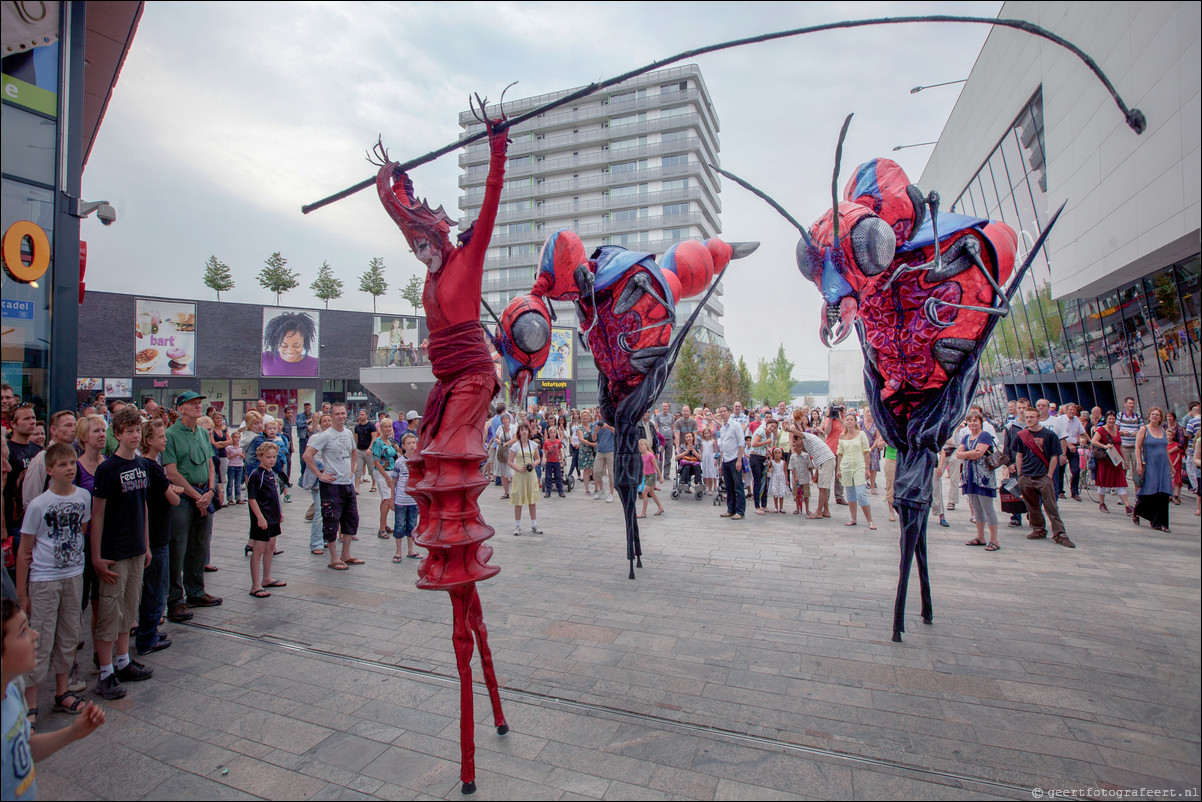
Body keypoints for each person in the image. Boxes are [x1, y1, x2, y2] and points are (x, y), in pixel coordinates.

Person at [16, 442, 91, 728]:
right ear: (49, 470)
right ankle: (31, 702)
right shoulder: (38, 505)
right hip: (45, 578)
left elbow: (81, 530)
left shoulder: (83, 497)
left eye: (72, 463)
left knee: (69, 634)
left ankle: (63, 691)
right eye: (62, 465)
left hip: (73, 574)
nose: (69, 468)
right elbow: (26, 550)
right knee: (41, 638)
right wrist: (22, 593)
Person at [2, 598, 105, 800]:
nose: (35, 635)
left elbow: (25, 748)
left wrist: (73, 733)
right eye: (23, 631)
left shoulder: (11, 694)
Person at [89, 406, 155, 700]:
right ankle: (105, 672)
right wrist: (96, 556)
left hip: (136, 548)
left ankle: (122, 660)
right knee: (108, 613)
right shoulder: (107, 469)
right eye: (128, 431)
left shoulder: (141, 464)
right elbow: (98, 514)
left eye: (137, 430)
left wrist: (146, 544)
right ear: (117, 434)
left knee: (129, 610)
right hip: (114, 551)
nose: (134, 435)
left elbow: (142, 505)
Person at [163, 392, 221, 623]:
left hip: (203, 494)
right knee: (178, 549)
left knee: (200, 545)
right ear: (181, 409)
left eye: (199, 403)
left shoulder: (202, 433)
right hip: (184, 498)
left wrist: (210, 491)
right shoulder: (171, 434)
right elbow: (172, 472)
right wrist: (198, 495)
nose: (198, 406)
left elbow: (210, 463)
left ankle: (196, 592)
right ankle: (175, 600)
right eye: (193, 404)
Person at [304, 403, 363, 569]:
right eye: (337, 414)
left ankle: (346, 553)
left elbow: (354, 451)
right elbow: (307, 455)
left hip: (347, 484)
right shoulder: (325, 435)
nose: (341, 417)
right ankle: (334, 557)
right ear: (332, 415)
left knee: (351, 518)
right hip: (331, 485)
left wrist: (353, 468)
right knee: (331, 519)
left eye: (343, 413)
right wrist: (319, 474)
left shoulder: (348, 433)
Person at [1010, 408, 1075, 548]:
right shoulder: (1021, 435)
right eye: (1027, 417)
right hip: (1026, 475)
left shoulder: (1049, 435)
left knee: (1051, 506)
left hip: (1043, 476)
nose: (1029, 419)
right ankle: (1038, 528)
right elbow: (1019, 455)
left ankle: (1059, 533)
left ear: (1038, 418)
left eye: (1032, 417)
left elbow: (1054, 456)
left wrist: (1050, 475)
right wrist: (1020, 475)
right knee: (1032, 505)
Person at [247, 442, 286, 597]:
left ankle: (267, 577)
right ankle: (255, 585)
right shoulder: (257, 474)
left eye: (274, 457)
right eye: (268, 457)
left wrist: (279, 512)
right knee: (259, 550)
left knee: (270, 547)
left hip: (273, 516)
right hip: (262, 518)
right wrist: (260, 518)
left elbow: (275, 494)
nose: (272, 460)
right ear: (260, 457)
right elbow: (252, 498)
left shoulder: (272, 473)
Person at [957, 411, 1000, 551]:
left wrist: (965, 455)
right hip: (969, 476)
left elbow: (979, 453)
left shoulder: (985, 435)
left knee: (988, 508)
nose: (972, 423)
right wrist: (969, 454)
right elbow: (958, 454)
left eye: (975, 421)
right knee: (976, 508)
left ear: (981, 422)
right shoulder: (966, 437)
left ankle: (994, 539)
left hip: (983, 477)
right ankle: (980, 536)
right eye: (970, 421)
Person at [4, 404, 41, 563]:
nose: (32, 422)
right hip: (15, 522)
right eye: (26, 418)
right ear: (13, 424)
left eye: (33, 417)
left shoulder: (40, 450)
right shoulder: (7, 450)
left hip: (37, 519)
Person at [1132, 407, 1172, 532]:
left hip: (1163, 466)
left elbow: (1165, 449)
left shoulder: (1163, 430)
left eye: (1157, 415)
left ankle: (1163, 523)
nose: (1155, 416)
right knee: (1149, 491)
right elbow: (1137, 448)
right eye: (1153, 414)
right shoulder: (1144, 429)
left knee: (1163, 494)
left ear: (1161, 418)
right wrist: (1139, 464)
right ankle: (1138, 511)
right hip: (1150, 465)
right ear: (1149, 416)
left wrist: (1171, 466)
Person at [837, 412, 874, 529]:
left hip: (859, 466)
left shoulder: (861, 434)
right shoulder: (842, 436)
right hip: (846, 467)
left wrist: (867, 468)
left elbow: (866, 451)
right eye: (847, 419)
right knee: (850, 494)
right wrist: (838, 468)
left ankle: (870, 520)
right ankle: (853, 518)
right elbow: (840, 453)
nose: (849, 421)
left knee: (861, 493)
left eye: (851, 419)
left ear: (855, 421)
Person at [389, 432, 421, 562]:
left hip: (413, 501)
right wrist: (392, 499)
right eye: (409, 443)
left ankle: (411, 549)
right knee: (399, 525)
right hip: (401, 500)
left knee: (412, 526)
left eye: (414, 443)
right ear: (403, 446)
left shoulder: (419, 461)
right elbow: (393, 481)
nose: (412, 446)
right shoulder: (399, 462)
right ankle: (398, 551)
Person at [1090, 410, 1130, 513]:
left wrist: (1125, 459)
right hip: (1106, 460)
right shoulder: (1101, 430)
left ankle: (1127, 506)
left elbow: (1120, 446)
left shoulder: (1116, 429)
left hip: (1117, 461)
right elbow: (1094, 441)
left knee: (1121, 482)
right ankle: (1102, 504)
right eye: (1110, 419)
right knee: (1103, 482)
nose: (1111, 421)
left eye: (1113, 419)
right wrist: (1104, 446)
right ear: (1106, 420)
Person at [508, 423, 542, 535]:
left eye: (525, 429)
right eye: (521, 430)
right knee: (518, 500)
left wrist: (533, 465)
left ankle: (534, 524)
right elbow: (509, 461)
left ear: (528, 431)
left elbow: (538, 459)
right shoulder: (515, 446)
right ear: (518, 432)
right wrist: (518, 469)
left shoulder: (533, 444)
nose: (524, 432)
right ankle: (517, 526)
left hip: (530, 475)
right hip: (519, 475)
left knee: (532, 500)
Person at [261, 312, 319, 377]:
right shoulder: (263, 359)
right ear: (275, 342)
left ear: (304, 342)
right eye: (283, 345)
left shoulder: (316, 364)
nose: (290, 351)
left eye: (296, 345)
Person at [716, 406, 746, 520]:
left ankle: (740, 511)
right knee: (729, 486)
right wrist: (721, 462)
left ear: (729, 412)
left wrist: (739, 460)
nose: (722, 413)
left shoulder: (736, 426)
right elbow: (722, 446)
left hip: (735, 459)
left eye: (724, 411)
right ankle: (730, 509)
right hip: (725, 460)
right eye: (721, 411)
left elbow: (741, 443)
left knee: (738, 486)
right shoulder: (722, 427)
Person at [798, 430, 835, 520]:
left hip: (827, 461)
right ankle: (826, 510)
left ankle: (819, 512)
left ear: (800, 440)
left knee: (823, 487)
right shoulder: (810, 444)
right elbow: (818, 458)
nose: (795, 446)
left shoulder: (807, 438)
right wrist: (816, 473)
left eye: (795, 443)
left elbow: (798, 432)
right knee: (821, 487)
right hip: (823, 462)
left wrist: (789, 429)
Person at [372, 418, 400, 537]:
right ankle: (381, 528)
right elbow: (376, 462)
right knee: (387, 499)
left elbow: (396, 455)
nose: (388, 429)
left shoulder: (390, 440)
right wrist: (387, 478)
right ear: (381, 428)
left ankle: (384, 523)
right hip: (382, 473)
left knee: (386, 500)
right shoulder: (378, 443)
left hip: (392, 472)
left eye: (390, 426)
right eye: (386, 427)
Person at [749, 418, 775, 515]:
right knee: (757, 481)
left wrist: (769, 453)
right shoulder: (761, 431)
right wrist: (766, 443)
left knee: (765, 481)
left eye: (774, 427)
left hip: (764, 458)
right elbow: (754, 443)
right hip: (755, 457)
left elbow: (768, 446)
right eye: (771, 426)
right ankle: (757, 506)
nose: (772, 428)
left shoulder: (770, 435)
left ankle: (764, 505)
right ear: (767, 425)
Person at [592, 415, 616, 503]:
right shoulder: (596, 423)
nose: (599, 415)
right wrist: (596, 430)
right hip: (600, 450)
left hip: (611, 450)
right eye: (597, 413)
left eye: (601, 413)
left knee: (611, 473)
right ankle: (601, 488)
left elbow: (616, 433)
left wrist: (609, 427)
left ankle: (611, 493)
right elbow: (594, 439)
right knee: (596, 471)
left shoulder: (612, 421)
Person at [352, 410, 376, 494]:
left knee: (371, 469)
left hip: (368, 450)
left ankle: (374, 484)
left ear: (366, 415)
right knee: (358, 469)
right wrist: (355, 448)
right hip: (359, 450)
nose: (361, 416)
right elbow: (355, 438)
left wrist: (370, 448)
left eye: (362, 414)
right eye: (360, 414)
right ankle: (357, 487)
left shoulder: (371, 426)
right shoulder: (357, 427)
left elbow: (374, 437)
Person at [788, 436, 812, 516]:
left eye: (797, 447)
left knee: (806, 495)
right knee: (797, 494)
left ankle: (807, 509)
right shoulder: (792, 457)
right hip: (797, 478)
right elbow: (792, 468)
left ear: (801, 447)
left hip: (805, 477)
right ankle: (797, 508)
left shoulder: (806, 456)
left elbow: (810, 466)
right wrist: (795, 476)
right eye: (794, 446)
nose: (795, 448)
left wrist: (812, 476)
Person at [492, 413, 514, 499]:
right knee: (503, 473)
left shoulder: (513, 428)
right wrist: (497, 441)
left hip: (510, 451)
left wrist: (507, 443)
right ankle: (506, 492)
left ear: (509, 419)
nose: (505, 420)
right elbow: (496, 437)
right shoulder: (500, 428)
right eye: (503, 419)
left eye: (506, 418)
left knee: (512, 472)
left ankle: (514, 492)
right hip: (502, 452)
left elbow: (515, 438)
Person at [653, 402, 675, 479]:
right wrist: (655, 437)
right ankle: (659, 475)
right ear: (662, 407)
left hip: (669, 438)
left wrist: (674, 437)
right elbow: (656, 427)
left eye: (666, 406)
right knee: (660, 458)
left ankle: (666, 475)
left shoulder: (671, 416)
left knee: (668, 458)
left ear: (668, 407)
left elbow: (673, 427)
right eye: (663, 406)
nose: (665, 407)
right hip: (661, 439)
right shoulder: (658, 416)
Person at [542, 425, 565, 498]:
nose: (553, 434)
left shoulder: (558, 442)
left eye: (554, 432)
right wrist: (544, 459)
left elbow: (560, 451)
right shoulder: (546, 442)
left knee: (558, 476)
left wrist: (562, 459)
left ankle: (560, 491)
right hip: (549, 461)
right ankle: (548, 491)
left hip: (556, 461)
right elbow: (544, 451)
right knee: (548, 477)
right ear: (549, 434)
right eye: (551, 432)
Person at [577, 410, 596, 496]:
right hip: (584, 451)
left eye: (586, 416)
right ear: (581, 418)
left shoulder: (592, 426)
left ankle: (596, 487)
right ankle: (587, 489)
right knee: (586, 470)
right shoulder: (580, 428)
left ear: (589, 417)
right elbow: (581, 439)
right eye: (583, 416)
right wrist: (591, 444)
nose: (585, 417)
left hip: (593, 450)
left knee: (595, 469)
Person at [766, 447, 789, 514]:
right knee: (775, 493)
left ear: (781, 455)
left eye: (779, 453)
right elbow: (769, 468)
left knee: (781, 493)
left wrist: (786, 480)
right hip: (775, 478)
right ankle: (776, 507)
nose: (777, 454)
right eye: (775, 453)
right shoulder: (772, 462)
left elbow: (785, 471)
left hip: (781, 478)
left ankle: (781, 507)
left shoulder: (783, 462)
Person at [699, 427, 718, 495]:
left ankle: (710, 488)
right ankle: (705, 487)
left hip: (711, 458)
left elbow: (715, 451)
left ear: (710, 434)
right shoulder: (702, 441)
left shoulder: (713, 441)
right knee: (705, 473)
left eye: (707, 433)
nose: (706, 435)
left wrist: (715, 460)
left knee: (710, 474)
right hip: (704, 458)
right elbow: (701, 451)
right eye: (705, 433)